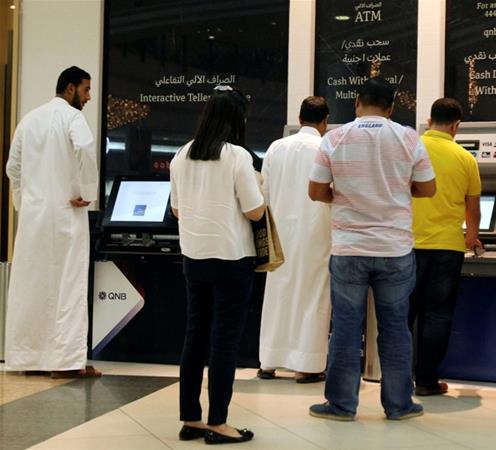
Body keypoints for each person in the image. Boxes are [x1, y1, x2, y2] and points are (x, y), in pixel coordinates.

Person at [307, 77, 436, 421]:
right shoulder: (409, 138)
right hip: (395, 248)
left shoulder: (334, 138)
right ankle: (399, 404)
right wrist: (398, 192)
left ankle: (341, 405)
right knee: (395, 327)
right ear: (392, 108)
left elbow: (316, 191)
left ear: (357, 103)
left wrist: (343, 197)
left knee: (346, 328)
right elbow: (428, 188)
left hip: (349, 248)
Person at [169, 85, 264, 444]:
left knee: (195, 338)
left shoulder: (181, 155)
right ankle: (218, 423)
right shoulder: (238, 157)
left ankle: (190, 420)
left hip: (194, 257)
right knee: (223, 342)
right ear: (237, 119)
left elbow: (177, 210)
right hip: (232, 259)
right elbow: (255, 210)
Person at [4, 66, 100, 379]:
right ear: (70, 88)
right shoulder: (72, 118)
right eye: (85, 90)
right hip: (66, 215)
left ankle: (27, 359)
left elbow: (12, 168)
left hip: (33, 218)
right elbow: (85, 147)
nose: (88, 97)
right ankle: (66, 363)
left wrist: (26, 202)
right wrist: (86, 192)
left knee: (30, 286)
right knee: (68, 287)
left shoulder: (29, 119)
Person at [408, 98, 481, 396]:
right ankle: (426, 381)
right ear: (456, 125)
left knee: (402, 314)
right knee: (437, 314)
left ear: (428, 121)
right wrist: (471, 236)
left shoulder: (411, 149)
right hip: (448, 247)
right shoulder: (465, 158)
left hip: (408, 243)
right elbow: (473, 208)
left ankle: (396, 376)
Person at [257, 96, 332, 383]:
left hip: (280, 232)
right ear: (325, 122)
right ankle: (307, 366)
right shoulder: (325, 147)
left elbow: (263, 192)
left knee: (278, 293)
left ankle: (269, 361)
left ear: (299, 119)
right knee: (313, 295)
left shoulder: (276, 147)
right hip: (317, 231)